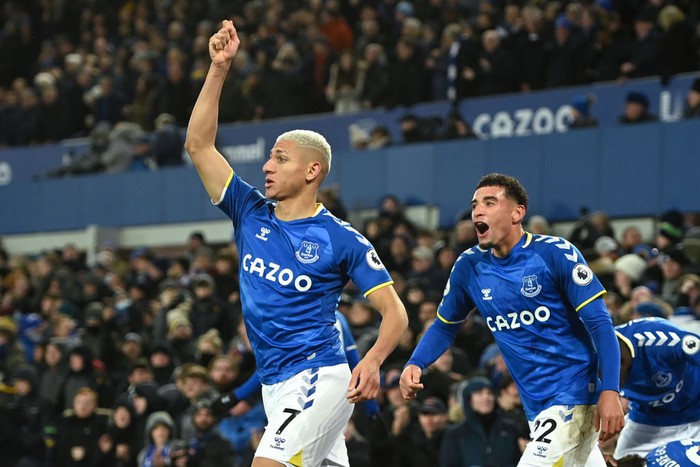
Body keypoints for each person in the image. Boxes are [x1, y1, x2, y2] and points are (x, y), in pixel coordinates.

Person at [184, 19, 408, 467]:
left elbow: (396, 313)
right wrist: (219, 69)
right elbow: (198, 145)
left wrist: (372, 361)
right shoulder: (249, 211)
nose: (267, 166)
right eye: (268, 156)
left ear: (312, 172)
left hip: (315, 376)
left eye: (280, 158)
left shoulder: (341, 239)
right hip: (273, 382)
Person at [400, 173, 625, 466]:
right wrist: (415, 362)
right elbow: (444, 325)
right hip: (536, 407)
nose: (477, 211)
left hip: (574, 394)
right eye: (474, 205)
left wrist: (610, 391)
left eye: (490, 203)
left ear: (517, 213)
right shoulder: (469, 266)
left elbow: (600, 325)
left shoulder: (554, 253)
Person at [611, 317, 700, 461]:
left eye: (608, 380)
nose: (606, 387)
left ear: (622, 362)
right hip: (646, 421)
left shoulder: (662, 339)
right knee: (620, 462)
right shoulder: (592, 360)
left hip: (694, 415)